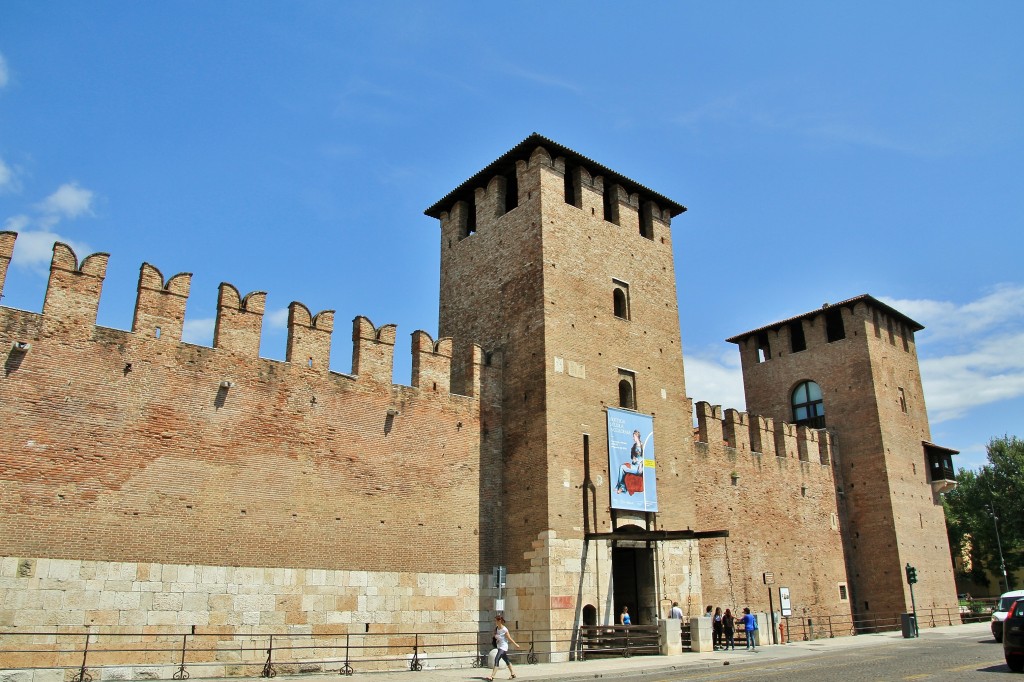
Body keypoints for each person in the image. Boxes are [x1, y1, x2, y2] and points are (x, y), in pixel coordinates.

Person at [488, 614, 519, 681]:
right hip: (499, 646)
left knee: (497, 659)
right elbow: (495, 636)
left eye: (496, 620)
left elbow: (509, 638)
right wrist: (496, 639)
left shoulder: (505, 629)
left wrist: (515, 644)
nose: (495, 622)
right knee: (506, 660)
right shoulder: (496, 628)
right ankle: (513, 674)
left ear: (500, 621)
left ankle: (492, 676)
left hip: (504, 646)